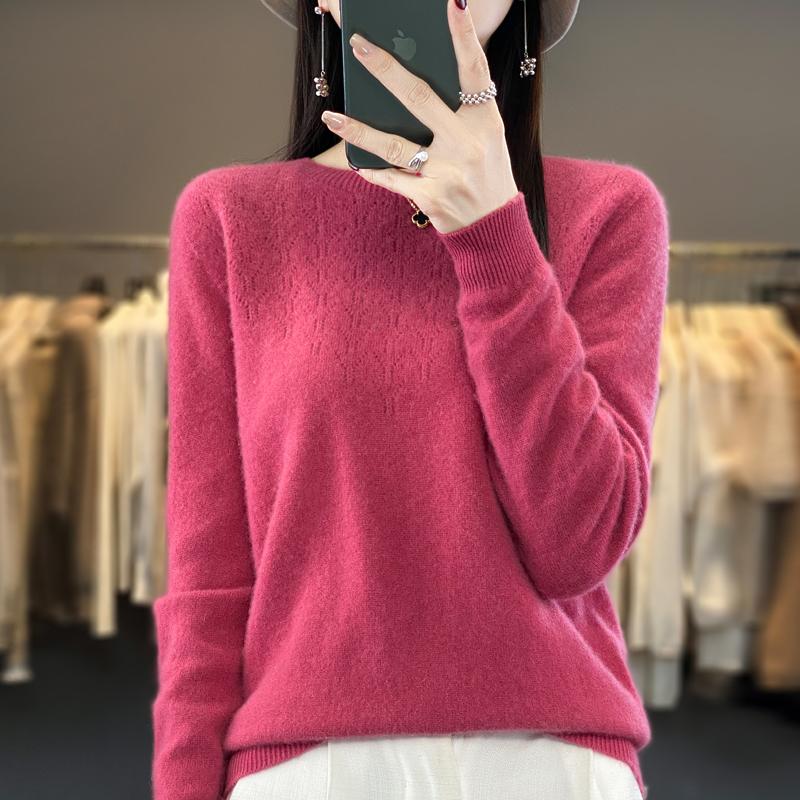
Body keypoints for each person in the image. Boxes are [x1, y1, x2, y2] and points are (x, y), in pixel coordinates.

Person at [150, 1, 670, 799]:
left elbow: (581, 543)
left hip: (553, 760)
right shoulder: (229, 218)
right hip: (309, 764)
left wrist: (495, 236)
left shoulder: (610, 210)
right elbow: (209, 572)